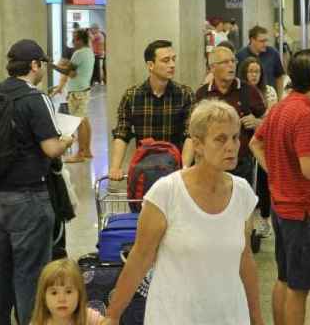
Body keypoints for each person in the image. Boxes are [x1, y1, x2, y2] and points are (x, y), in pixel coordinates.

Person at [104, 100, 263, 325]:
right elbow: (140, 258)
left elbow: (245, 260)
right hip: (174, 316)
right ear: (197, 145)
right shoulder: (166, 192)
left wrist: (256, 318)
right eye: (220, 139)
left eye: (235, 137)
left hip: (229, 315)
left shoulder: (243, 193)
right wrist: (112, 315)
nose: (231, 146)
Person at [0, 40, 73, 325]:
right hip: (28, 197)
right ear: (34, 65)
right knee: (30, 271)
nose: (43, 68)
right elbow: (51, 149)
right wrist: (68, 140)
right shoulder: (35, 98)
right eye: (42, 63)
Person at [249, 51, 310, 325]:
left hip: (281, 205)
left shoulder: (280, 108)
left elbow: (255, 143)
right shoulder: (305, 116)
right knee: (298, 289)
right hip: (303, 210)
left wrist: (275, 170)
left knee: (284, 277)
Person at [196, 47, 267, 228]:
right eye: (225, 62)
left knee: (238, 208)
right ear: (213, 67)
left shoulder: (248, 90)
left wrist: (258, 122)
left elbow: (267, 120)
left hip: (241, 161)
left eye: (233, 61)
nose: (231, 66)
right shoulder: (203, 94)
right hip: (210, 162)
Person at [109, 40, 196, 181]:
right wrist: (115, 167)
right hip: (145, 169)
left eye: (174, 59)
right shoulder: (132, 96)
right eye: (166, 60)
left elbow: (190, 134)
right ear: (150, 65)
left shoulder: (185, 94)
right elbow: (121, 133)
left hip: (175, 168)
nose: (172, 65)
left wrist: (184, 168)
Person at [239, 55, 278, 235]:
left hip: (264, 142)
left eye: (257, 72)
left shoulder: (268, 91)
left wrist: (257, 122)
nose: (254, 75)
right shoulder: (239, 91)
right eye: (250, 72)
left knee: (263, 182)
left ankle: (264, 219)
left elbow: (272, 120)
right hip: (244, 141)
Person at [52, 28, 96, 162]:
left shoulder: (78, 53)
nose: (72, 41)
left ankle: (80, 153)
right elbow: (73, 73)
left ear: (80, 40)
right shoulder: (89, 52)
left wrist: (51, 65)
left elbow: (67, 70)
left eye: (74, 38)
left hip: (77, 92)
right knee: (84, 121)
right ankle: (87, 150)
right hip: (84, 90)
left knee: (78, 122)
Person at [32, 258, 105, 325]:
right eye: (54, 293)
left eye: (68, 292)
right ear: (43, 297)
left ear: (79, 294)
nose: (61, 299)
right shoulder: (39, 323)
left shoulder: (89, 317)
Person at [236, 26, 287, 94]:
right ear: (252, 40)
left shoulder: (273, 53)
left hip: (269, 96)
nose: (265, 44)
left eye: (266, 41)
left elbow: (279, 77)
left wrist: (280, 98)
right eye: (262, 41)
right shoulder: (240, 56)